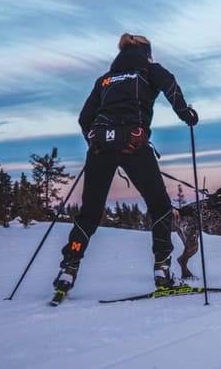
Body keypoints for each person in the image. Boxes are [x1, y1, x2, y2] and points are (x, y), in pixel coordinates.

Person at [53, 33, 198, 298]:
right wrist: (186, 114)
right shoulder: (150, 70)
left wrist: (94, 141)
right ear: (147, 51)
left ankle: (68, 268)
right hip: (133, 144)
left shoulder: (105, 79)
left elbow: (85, 117)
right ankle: (162, 271)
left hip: (100, 147)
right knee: (160, 207)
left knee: (90, 213)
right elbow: (171, 86)